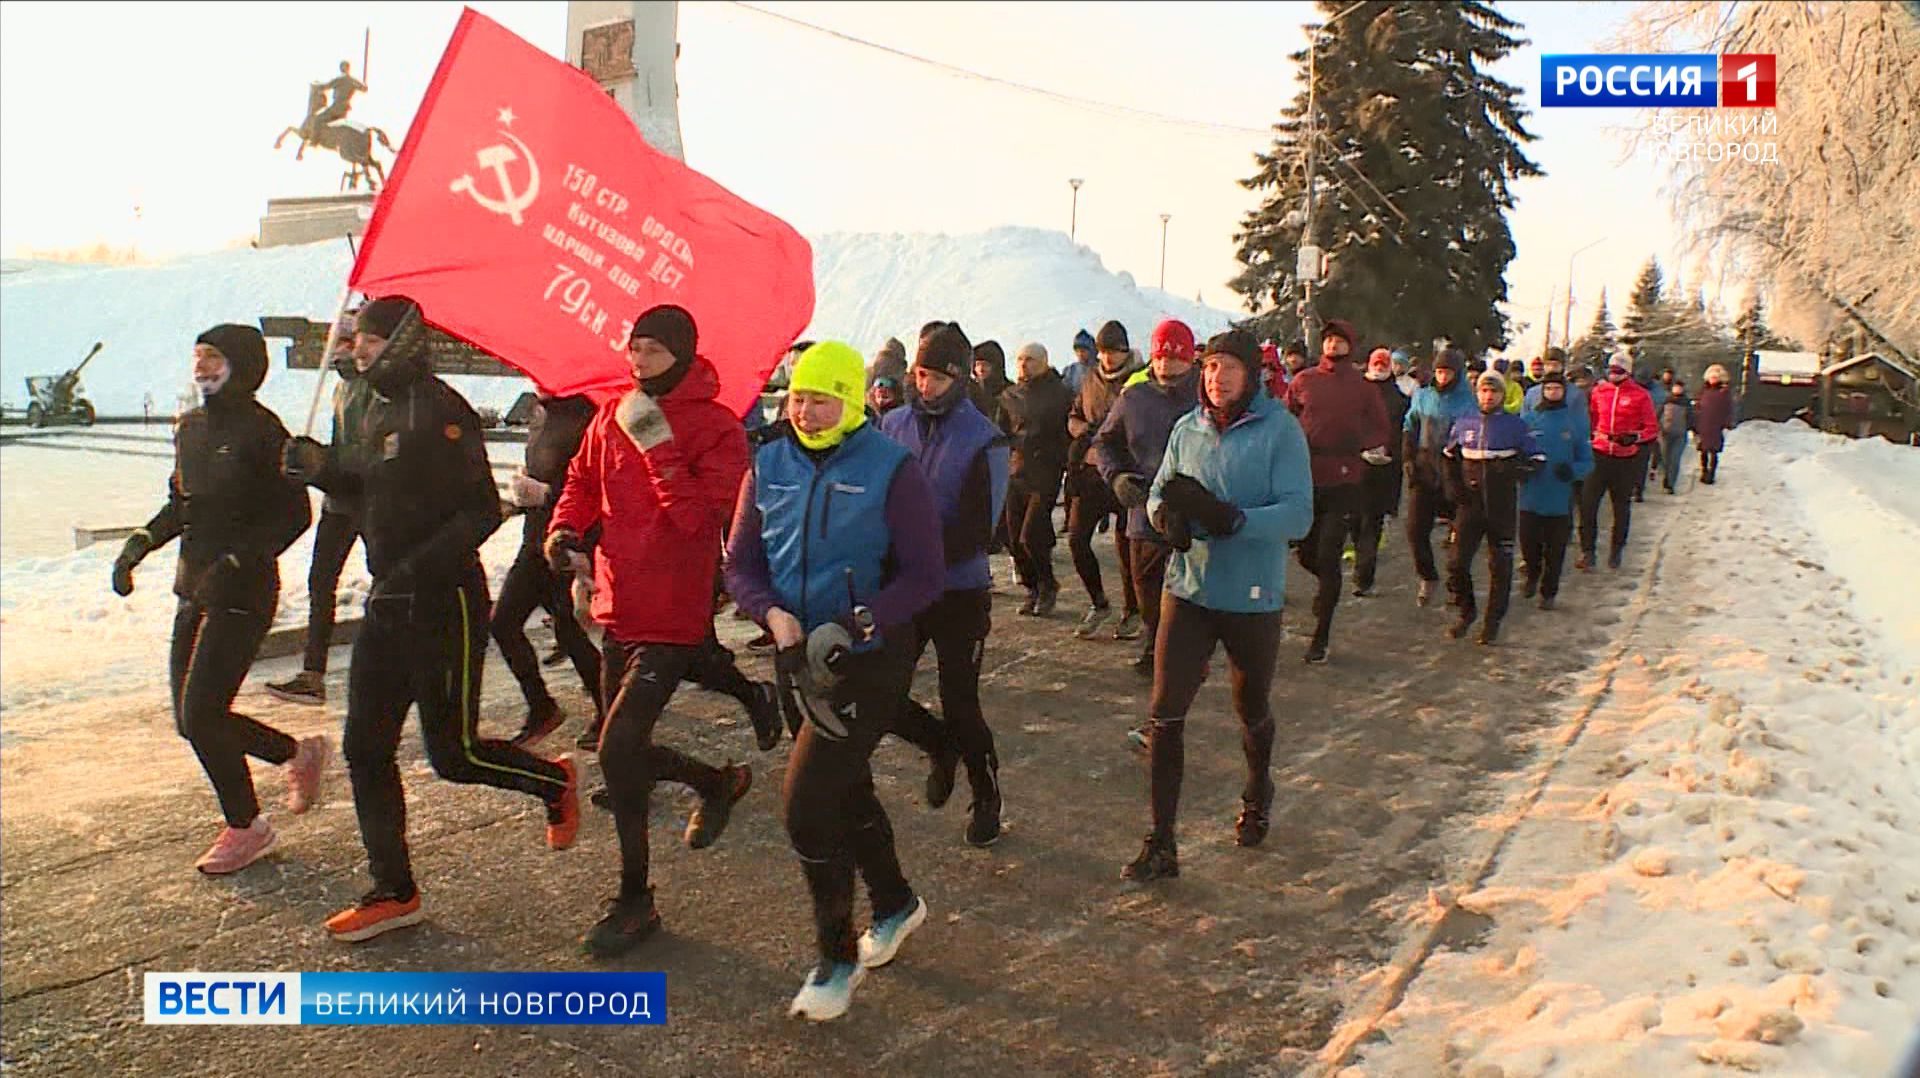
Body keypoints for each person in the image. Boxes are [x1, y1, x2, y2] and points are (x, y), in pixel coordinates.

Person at [281, 296, 579, 942]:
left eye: (370, 340)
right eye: (356, 339)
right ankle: (395, 889)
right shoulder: (364, 406)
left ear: (405, 343)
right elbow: (364, 488)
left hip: (447, 602)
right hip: (387, 602)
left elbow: (480, 512)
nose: (356, 349)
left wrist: (417, 568)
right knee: (365, 747)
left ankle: (553, 781)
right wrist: (319, 468)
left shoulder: (444, 412)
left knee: (455, 754)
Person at [724, 341, 947, 1022]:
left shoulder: (891, 468)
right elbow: (740, 564)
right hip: (798, 656)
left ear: (851, 401)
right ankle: (896, 903)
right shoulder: (768, 463)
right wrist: (773, 615)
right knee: (845, 790)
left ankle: (835, 958)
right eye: (795, 396)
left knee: (804, 804)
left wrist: (857, 624)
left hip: (870, 657)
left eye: (820, 398)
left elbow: (925, 573)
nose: (804, 409)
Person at [535, 305, 763, 957]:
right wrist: (564, 529)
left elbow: (702, 522)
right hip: (618, 602)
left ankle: (636, 899)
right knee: (622, 753)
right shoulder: (611, 412)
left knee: (617, 750)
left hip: (673, 609)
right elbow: (581, 480)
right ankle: (715, 782)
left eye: (653, 352)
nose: (638, 362)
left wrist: (660, 447)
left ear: (683, 354)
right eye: (632, 349)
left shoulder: (718, 428)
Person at [113, 324, 323, 875]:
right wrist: (138, 545)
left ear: (243, 364)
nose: (202, 366)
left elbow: (295, 515)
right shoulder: (190, 427)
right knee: (191, 720)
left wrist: (237, 560)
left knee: (203, 714)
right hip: (194, 588)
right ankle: (295, 753)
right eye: (197, 356)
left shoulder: (263, 430)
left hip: (244, 592)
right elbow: (180, 505)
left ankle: (246, 826)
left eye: (214, 357)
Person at [1120, 329, 1313, 881]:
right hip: (1189, 589)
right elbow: (1160, 490)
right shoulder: (1188, 428)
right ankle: (1161, 844)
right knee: (1164, 713)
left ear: (1251, 375)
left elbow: (1299, 515)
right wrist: (1166, 519)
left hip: (1252, 596)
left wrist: (1238, 521)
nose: (1216, 377)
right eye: (1209, 368)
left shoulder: (1280, 432)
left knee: (1250, 708)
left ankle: (1257, 790)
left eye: (1229, 368)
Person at [878, 323, 1011, 847]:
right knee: (884, 692)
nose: (923, 384)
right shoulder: (890, 426)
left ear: (957, 378)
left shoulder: (984, 438)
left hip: (958, 590)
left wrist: (921, 553)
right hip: (905, 588)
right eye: (918, 372)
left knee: (961, 701)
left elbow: (983, 527)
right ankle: (938, 745)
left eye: (934, 376)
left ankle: (986, 793)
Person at [267, 309, 375, 706]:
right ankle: (313, 672)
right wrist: (313, 459)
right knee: (320, 582)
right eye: (337, 343)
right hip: (338, 502)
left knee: (385, 579)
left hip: (365, 501)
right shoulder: (341, 389)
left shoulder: (371, 390)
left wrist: (322, 466)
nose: (337, 352)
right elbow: (342, 449)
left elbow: (361, 458)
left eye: (345, 344)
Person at [1094, 318, 1202, 683]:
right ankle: (1155, 638)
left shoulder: (1206, 395)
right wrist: (1117, 476)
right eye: (1159, 357)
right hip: (1143, 506)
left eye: (1174, 358)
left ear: (1189, 359)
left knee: (1188, 587)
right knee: (1146, 584)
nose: (1165, 365)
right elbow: (1105, 441)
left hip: (1193, 507)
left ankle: (1176, 651)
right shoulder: (1134, 396)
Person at [491, 393, 602, 748]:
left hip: (569, 542)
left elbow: (597, 488)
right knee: (503, 623)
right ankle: (541, 705)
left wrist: (547, 494)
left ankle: (609, 709)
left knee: (569, 629)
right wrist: (521, 498)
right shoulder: (543, 411)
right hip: (535, 540)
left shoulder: (586, 415)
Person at [1285, 319, 1391, 663]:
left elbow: (1380, 427)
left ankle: (1321, 634)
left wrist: (1358, 444)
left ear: (1351, 346)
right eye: (1328, 340)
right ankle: (1326, 587)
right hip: (1306, 477)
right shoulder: (1304, 381)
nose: (1332, 346)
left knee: (1330, 554)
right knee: (1305, 553)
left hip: (1345, 479)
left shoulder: (1363, 388)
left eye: (1339, 341)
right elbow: (1287, 419)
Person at [1441, 371, 1544, 644]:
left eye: (1494, 392)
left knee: (1500, 566)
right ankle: (1466, 611)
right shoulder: (1465, 422)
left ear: (1502, 395)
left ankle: (1492, 622)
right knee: (1456, 562)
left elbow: (1537, 460)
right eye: (1484, 391)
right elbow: (1448, 457)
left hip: (1501, 506)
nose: (1488, 396)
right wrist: (1454, 488)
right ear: (1477, 393)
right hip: (1470, 505)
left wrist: (1510, 472)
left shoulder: (1516, 426)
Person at [1065, 321, 1145, 640]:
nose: (1107, 358)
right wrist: (1081, 431)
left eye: (1113, 351)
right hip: (1091, 473)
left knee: (1127, 549)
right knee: (1076, 537)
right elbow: (1074, 415)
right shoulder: (1090, 379)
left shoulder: (1139, 382)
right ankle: (1099, 602)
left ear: (1125, 351)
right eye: (1102, 352)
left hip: (1125, 473)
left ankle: (1132, 610)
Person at [998, 341, 1074, 616]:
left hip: (1046, 471)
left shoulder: (1059, 393)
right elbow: (1000, 432)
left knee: (1031, 535)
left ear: (1043, 361)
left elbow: (1067, 431)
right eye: (1019, 359)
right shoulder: (1009, 395)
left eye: (1029, 359)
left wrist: (1063, 461)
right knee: (1012, 535)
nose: (1023, 364)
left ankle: (1047, 584)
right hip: (1016, 471)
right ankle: (1032, 588)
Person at [1401, 348, 1478, 607]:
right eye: (1439, 371)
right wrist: (1409, 458)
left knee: (1460, 536)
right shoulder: (1423, 397)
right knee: (1414, 530)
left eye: (1448, 372)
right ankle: (1427, 576)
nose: (1443, 377)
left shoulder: (1468, 402)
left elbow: (1472, 436)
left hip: (1454, 472)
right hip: (1425, 469)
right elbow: (1409, 426)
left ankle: (1457, 583)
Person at [1518, 371, 1592, 611]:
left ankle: (1549, 591)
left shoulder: (1574, 423)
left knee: (1555, 549)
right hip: (1531, 495)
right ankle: (1531, 574)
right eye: (1548, 389)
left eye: (1556, 389)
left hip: (1559, 498)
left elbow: (1587, 460)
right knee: (1529, 544)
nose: (1552, 393)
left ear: (1564, 391)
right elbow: (1516, 452)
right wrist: (1522, 468)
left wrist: (1572, 471)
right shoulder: (1529, 420)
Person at [1578, 353, 1658, 571]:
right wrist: (1591, 437)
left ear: (1628, 372)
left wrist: (1635, 437)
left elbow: (1651, 427)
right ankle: (1588, 552)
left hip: (1625, 457)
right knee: (1588, 504)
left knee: (1621, 506)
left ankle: (1616, 550)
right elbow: (1591, 418)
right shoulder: (1598, 392)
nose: (1614, 374)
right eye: (1611, 370)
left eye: (1619, 371)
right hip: (1600, 453)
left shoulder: (1640, 395)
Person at [1354, 347, 1411, 597]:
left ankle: (1363, 576)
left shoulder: (1399, 398)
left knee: (1372, 523)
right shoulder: (1354, 392)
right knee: (1355, 520)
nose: (1378, 367)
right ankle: (1360, 560)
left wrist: (1392, 455)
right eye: (1375, 363)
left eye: (1383, 363)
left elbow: (1401, 434)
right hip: (1355, 466)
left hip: (1383, 469)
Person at [1693, 364, 1736, 484]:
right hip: (1703, 424)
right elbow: (1697, 407)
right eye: (1712, 377)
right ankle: (1704, 471)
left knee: (1713, 451)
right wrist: (1694, 422)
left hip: (1716, 425)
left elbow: (1729, 408)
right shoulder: (1703, 391)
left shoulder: (1724, 392)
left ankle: (1711, 473)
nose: (1713, 380)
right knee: (1704, 450)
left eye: (1716, 378)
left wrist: (1727, 422)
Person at [1657, 379, 1693, 494]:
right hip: (1665, 434)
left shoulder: (1686, 403)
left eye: (1680, 387)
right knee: (1665, 459)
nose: (1677, 389)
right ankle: (1666, 478)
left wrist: (1690, 428)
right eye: (1675, 387)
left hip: (1680, 435)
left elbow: (1691, 419)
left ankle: (1671, 483)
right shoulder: (1666, 401)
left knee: (1675, 459)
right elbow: (1657, 415)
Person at [970, 340, 1012, 430]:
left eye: (985, 365)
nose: (981, 369)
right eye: (978, 365)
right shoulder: (970, 393)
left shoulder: (1011, 394)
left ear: (996, 367)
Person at [1062, 328, 1098, 397]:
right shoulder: (1071, 371)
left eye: (1083, 351)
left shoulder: (1101, 369)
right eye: (1077, 351)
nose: (1080, 354)